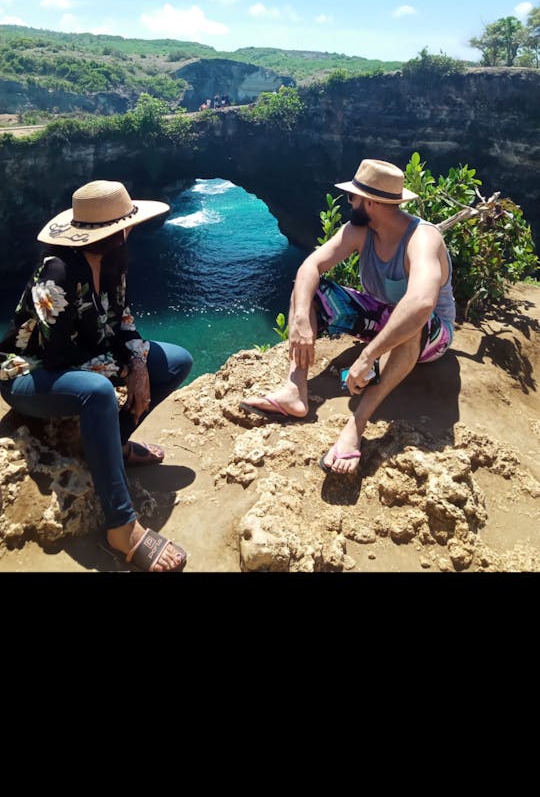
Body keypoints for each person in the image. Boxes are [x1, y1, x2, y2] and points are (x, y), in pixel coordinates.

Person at [0, 180, 193, 571]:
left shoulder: (115, 261)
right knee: (97, 392)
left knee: (175, 362)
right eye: (127, 223)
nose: (132, 228)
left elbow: (122, 321)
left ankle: (113, 443)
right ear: (115, 230)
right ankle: (120, 527)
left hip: (88, 362)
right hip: (28, 373)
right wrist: (125, 368)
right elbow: (58, 356)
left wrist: (138, 363)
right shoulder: (56, 271)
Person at [239, 159, 455, 475]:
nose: (349, 201)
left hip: (431, 334)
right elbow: (310, 267)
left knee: (413, 320)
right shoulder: (359, 231)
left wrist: (368, 355)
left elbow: (421, 303)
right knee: (307, 290)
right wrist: (300, 319)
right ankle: (295, 390)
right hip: (384, 321)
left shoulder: (423, 238)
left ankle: (357, 425)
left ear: (370, 202)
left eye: (353, 196)